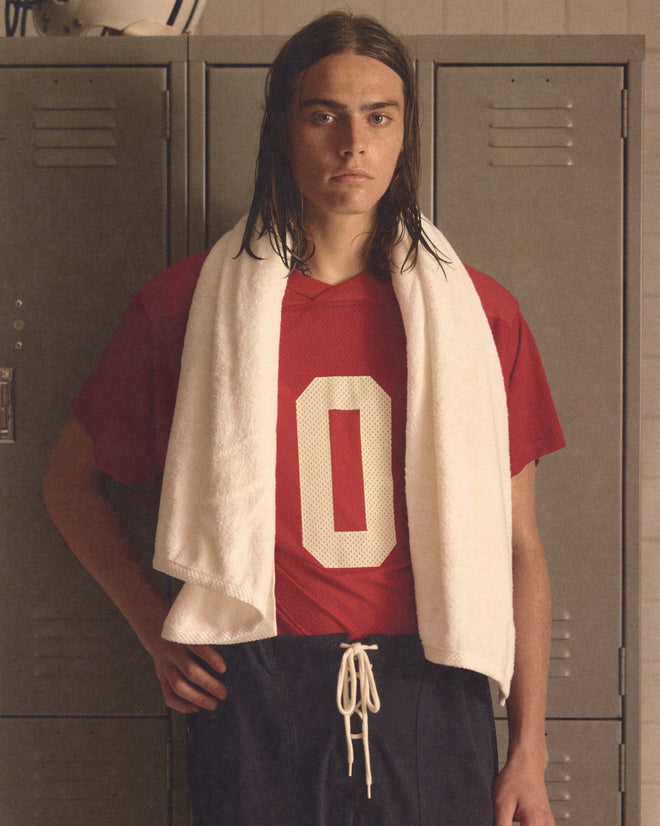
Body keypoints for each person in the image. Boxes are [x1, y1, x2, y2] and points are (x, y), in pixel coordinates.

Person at [43, 11, 564, 826]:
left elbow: (519, 547)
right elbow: (70, 483)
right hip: (254, 690)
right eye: (324, 114)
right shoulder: (189, 307)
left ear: (404, 135)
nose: (353, 143)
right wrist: (155, 630)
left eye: (378, 117)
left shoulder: (479, 317)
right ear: (282, 130)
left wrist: (528, 747)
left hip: (435, 686)